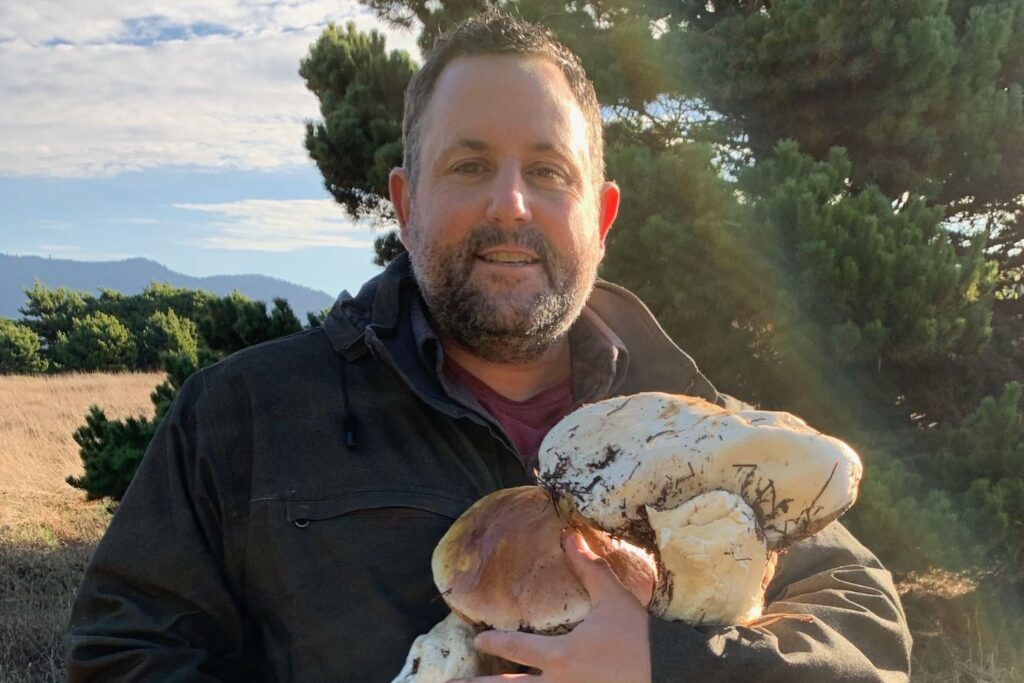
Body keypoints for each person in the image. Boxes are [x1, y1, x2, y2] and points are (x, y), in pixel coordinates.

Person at [65, 12, 912, 682]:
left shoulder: (697, 431)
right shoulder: (243, 417)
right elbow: (122, 655)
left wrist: (668, 667)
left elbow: (866, 630)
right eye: (470, 165)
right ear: (405, 202)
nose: (511, 202)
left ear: (602, 218)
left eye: (549, 172)